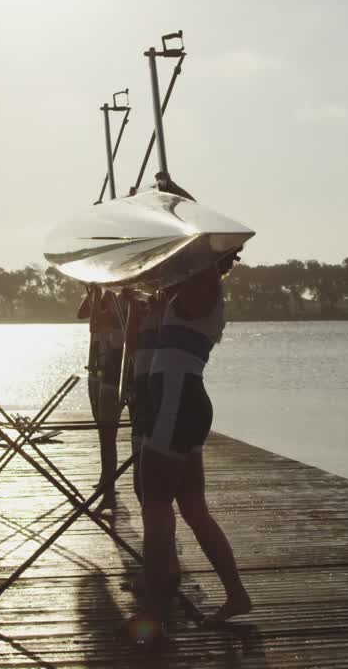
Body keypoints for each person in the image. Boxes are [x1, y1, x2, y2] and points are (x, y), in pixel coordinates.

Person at [127, 248, 252, 642]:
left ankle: (153, 611)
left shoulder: (205, 285)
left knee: (155, 503)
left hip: (176, 404)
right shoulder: (189, 290)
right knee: (193, 508)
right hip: (182, 403)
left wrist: (175, 195)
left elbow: (196, 245)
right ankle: (236, 595)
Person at [78, 285, 125, 508]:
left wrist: (98, 295)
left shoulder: (118, 306)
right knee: (102, 431)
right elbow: (81, 313)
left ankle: (109, 487)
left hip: (111, 376)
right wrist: (93, 291)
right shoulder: (101, 299)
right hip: (96, 371)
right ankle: (106, 479)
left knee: (108, 433)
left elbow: (94, 323)